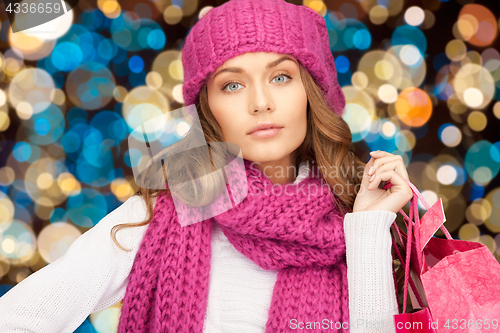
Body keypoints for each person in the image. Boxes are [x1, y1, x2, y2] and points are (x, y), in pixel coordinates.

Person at [0, 0, 415, 332]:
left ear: (313, 91)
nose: (260, 102)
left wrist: (367, 229)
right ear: (208, 109)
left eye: (281, 77)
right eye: (232, 85)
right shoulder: (168, 206)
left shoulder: (359, 217)